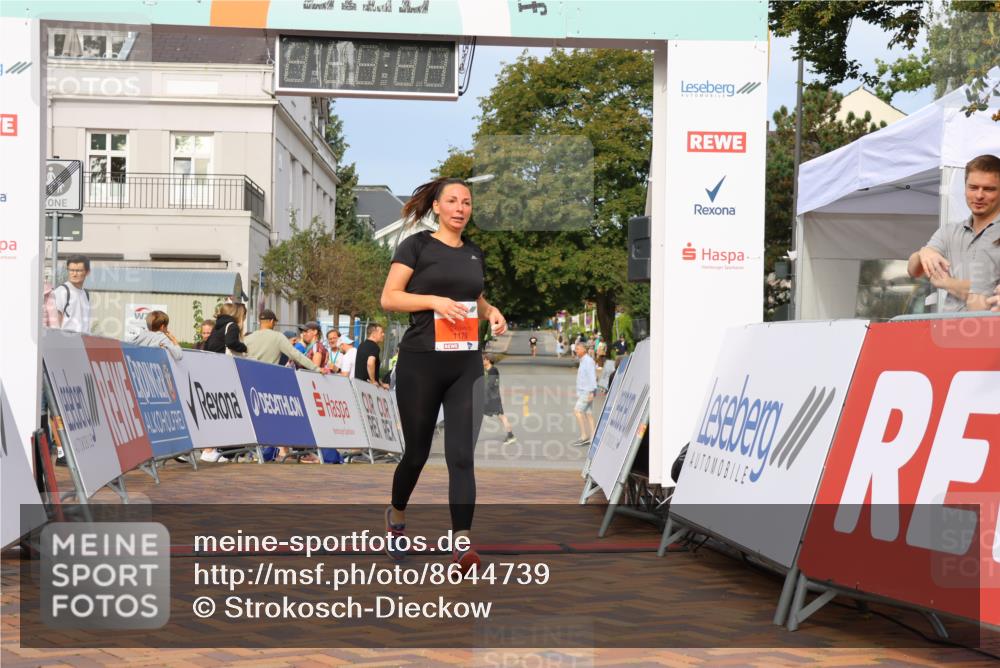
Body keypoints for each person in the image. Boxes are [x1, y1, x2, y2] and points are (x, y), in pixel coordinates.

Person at [380, 176, 507, 572]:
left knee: (461, 456)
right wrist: (434, 301)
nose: (459, 208)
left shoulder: (474, 253)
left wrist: (491, 312)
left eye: (466, 202)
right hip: (421, 362)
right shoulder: (415, 246)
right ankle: (396, 516)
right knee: (416, 453)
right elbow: (390, 297)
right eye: (451, 201)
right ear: (436, 206)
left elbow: (475, 296)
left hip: (465, 364)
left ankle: (462, 544)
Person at [907, 154, 1000, 311]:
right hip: (950, 329)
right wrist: (924, 253)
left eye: (989, 189)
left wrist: (946, 283)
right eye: (973, 187)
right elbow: (913, 270)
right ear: (964, 188)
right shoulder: (950, 231)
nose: (979, 195)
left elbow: (985, 296)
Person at [244, 309, 321, 370]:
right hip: (268, 379)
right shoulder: (278, 337)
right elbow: (295, 355)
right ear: (271, 321)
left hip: (250, 377)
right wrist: (316, 368)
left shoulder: (248, 338)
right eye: (275, 322)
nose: (275, 324)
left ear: (259, 321)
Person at [53, 254, 92, 333]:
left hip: (83, 343)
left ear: (87, 272)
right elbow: (55, 326)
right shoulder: (61, 292)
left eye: (78, 271)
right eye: (71, 270)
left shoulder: (86, 294)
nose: (74, 274)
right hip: (66, 342)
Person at [482, 354, 516, 445]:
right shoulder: (486, 370)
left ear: (488, 360)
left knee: (501, 416)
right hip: (488, 397)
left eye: (484, 359)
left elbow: (490, 384)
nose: (482, 360)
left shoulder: (493, 370)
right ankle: (510, 435)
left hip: (492, 398)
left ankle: (510, 436)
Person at [571, 342, 597, 446]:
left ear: (584, 350)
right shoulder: (583, 360)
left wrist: (592, 392)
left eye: (578, 349)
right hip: (585, 391)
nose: (576, 350)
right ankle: (593, 437)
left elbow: (592, 376)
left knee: (577, 411)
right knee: (588, 414)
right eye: (576, 349)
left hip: (587, 391)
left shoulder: (588, 361)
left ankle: (584, 436)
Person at [356, 322, 388, 388]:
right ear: (373, 334)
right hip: (368, 387)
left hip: (358, 384)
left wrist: (381, 383)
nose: (383, 334)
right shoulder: (374, 346)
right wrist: (373, 381)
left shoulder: (362, 345)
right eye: (381, 332)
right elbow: (370, 363)